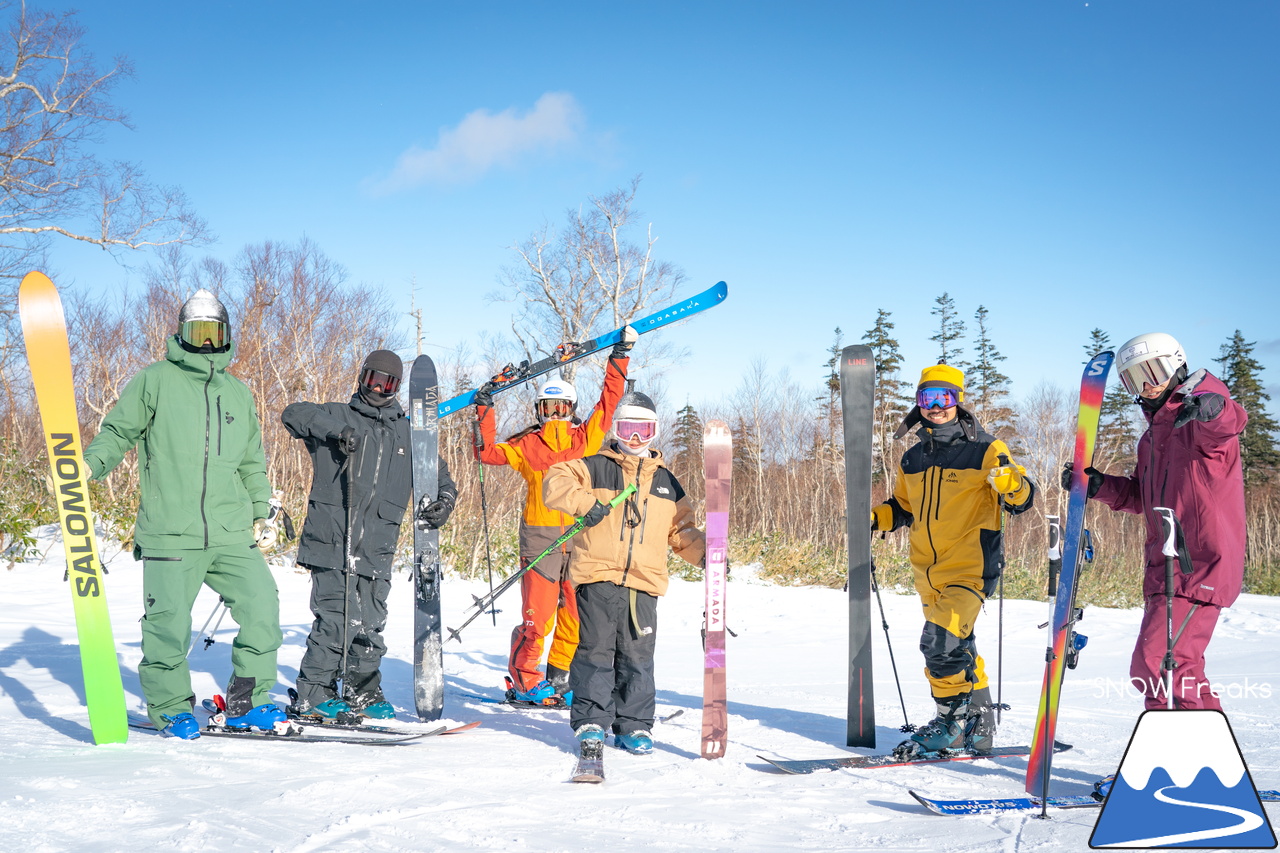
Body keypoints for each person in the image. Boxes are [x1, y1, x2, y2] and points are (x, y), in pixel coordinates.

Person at [83, 289, 283, 739]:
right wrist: (89, 466)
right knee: (168, 626)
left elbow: (252, 460)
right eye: (198, 332)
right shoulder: (155, 380)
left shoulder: (238, 392)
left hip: (231, 531)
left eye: (215, 333)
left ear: (227, 335)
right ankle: (171, 707)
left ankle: (249, 701)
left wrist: (260, 512)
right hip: (171, 531)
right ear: (181, 333)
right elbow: (118, 431)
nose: (207, 342)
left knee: (263, 606)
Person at [1063, 333, 1246, 710]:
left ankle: (1207, 758)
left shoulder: (1199, 420)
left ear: (1178, 366)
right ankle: (1163, 759)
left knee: (1163, 664)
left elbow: (1228, 423)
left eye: (1155, 371)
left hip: (1200, 567)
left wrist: (1213, 408)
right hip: (1164, 569)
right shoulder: (1150, 440)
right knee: (1157, 669)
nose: (1147, 386)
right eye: (1134, 378)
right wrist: (1100, 486)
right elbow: (1143, 499)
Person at [870, 363, 1036, 757]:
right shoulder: (912, 458)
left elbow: (1022, 498)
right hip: (928, 572)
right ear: (919, 403)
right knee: (960, 646)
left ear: (957, 400)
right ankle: (979, 729)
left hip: (971, 567)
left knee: (940, 643)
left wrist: (1011, 483)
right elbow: (903, 508)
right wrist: (877, 517)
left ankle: (951, 724)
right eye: (927, 398)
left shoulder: (985, 449)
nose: (936, 406)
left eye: (944, 397)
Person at [282, 350, 457, 720]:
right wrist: (336, 432)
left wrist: (445, 501)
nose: (379, 387)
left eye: (389, 382)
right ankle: (313, 694)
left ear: (397, 388)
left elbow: (441, 476)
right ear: (362, 377)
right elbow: (293, 413)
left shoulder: (408, 435)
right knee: (336, 620)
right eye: (374, 378)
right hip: (332, 540)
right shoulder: (338, 415)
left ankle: (362, 692)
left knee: (370, 624)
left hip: (378, 547)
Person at [472, 328, 635, 705]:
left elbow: (608, 404)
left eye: (561, 407)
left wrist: (620, 356)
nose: (555, 414)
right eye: (547, 407)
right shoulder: (527, 445)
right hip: (541, 542)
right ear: (538, 411)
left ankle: (559, 676)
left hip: (581, 540)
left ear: (571, 409)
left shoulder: (586, 440)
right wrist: (485, 407)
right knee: (538, 619)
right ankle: (524, 680)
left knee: (576, 617)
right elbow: (488, 453)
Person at [543, 390, 706, 755]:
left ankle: (633, 725)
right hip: (597, 576)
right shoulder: (594, 466)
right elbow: (554, 481)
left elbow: (682, 531)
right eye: (628, 428)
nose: (635, 438)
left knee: (637, 656)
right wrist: (587, 503)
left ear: (654, 432)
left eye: (643, 429)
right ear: (616, 429)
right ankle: (591, 721)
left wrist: (708, 555)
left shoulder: (667, 482)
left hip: (644, 582)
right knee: (595, 652)